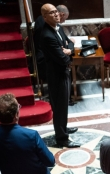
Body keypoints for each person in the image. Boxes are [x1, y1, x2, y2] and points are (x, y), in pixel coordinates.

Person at [40, 3, 79, 148]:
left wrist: (69, 50)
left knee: (64, 105)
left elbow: (69, 43)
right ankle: (62, 138)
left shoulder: (58, 27)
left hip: (64, 72)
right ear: (45, 17)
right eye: (51, 13)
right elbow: (62, 59)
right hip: (57, 75)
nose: (56, 14)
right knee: (59, 107)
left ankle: (63, 127)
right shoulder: (47, 36)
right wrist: (68, 53)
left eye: (56, 11)